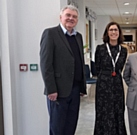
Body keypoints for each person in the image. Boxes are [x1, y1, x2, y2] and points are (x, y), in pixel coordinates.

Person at [40, 5, 86, 135]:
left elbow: (79, 62)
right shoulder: (50, 34)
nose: (71, 18)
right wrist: (51, 89)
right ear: (61, 17)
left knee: (71, 126)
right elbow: (45, 64)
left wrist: (82, 86)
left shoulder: (78, 36)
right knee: (57, 128)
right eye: (68, 15)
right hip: (58, 91)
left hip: (75, 89)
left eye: (74, 17)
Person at [94, 22, 127, 135]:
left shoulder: (123, 50)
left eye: (116, 30)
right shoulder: (100, 48)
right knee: (103, 111)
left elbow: (120, 67)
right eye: (111, 30)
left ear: (119, 33)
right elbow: (97, 68)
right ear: (107, 33)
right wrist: (105, 77)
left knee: (118, 110)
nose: (113, 32)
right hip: (103, 83)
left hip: (117, 83)